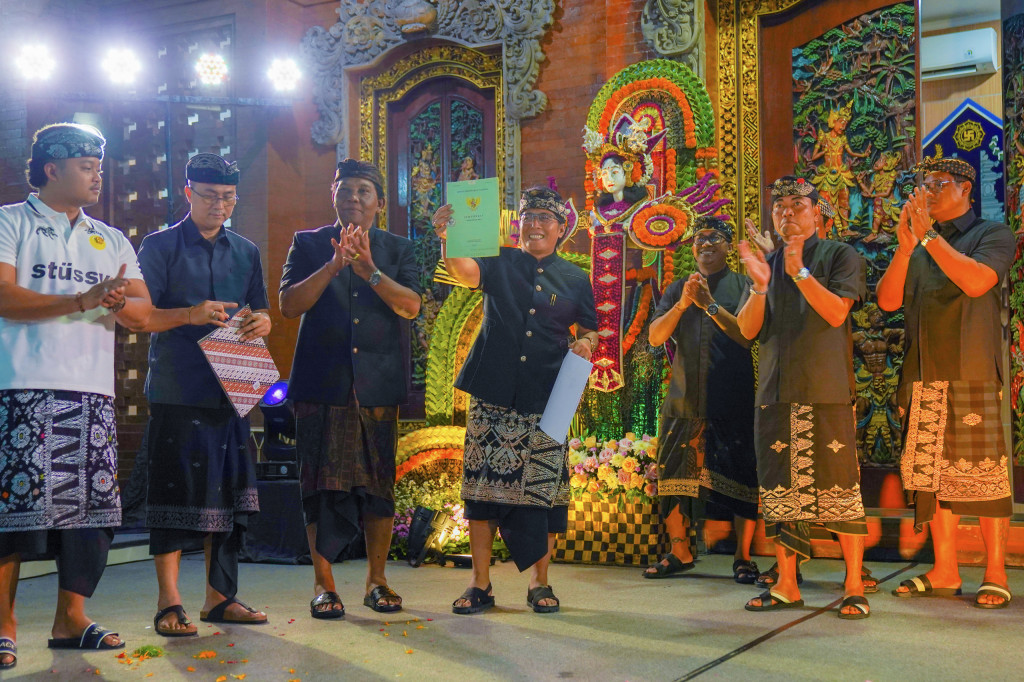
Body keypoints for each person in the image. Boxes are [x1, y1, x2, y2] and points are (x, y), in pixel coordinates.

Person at [0, 123, 152, 667]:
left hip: (92, 393)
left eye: (98, 166)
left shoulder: (109, 238)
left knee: (92, 515)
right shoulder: (9, 221)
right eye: (86, 166)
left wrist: (122, 302)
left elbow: (140, 311)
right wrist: (80, 297)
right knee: (14, 514)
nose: (97, 176)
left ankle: (72, 618)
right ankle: (4, 625)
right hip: (22, 386)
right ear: (51, 170)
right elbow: (4, 295)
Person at [431, 186, 598, 615]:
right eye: (529, 217)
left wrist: (587, 344)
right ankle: (480, 584)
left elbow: (592, 328)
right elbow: (464, 271)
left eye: (546, 218)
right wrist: (447, 238)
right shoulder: (499, 261)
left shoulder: (577, 278)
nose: (536, 225)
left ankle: (540, 584)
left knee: (543, 494)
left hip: (548, 396)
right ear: (518, 224)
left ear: (562, 228)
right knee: (482, 494)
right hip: (494, 390)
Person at [136, 153, 271, 635]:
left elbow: (263, 313)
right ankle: (168, 601)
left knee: (230, 496)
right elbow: (142, 316)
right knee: (175, 493)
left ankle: (220, 597)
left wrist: (263, 322)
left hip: (231, 386)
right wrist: (191, 314)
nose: (220, 205)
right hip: (179, 385)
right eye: (211, 196)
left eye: (229, 198)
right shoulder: (160, 246)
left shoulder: (246, 250)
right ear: (188, 192)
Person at [280, 159, 421, 618]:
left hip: (377, 386)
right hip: (321, 384)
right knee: (320, 487)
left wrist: (369, 272)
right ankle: (324, 585)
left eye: (364, 191)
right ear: (333, 197)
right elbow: (288, 305)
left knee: (378, 489)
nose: (354, 199)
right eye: (345, 190)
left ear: (379, 202)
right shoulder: (307, 243)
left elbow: (412, 307)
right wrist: (334, 263)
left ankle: (377, 581)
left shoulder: (399, 248)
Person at [877, 156, 1015, 608]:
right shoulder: (917, 245)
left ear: (965, 191)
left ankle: (995, 570)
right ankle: (946, 570)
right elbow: (888, 301)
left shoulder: (992, 235)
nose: (928, 192)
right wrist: (903, 246)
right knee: (933, 479)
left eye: (938, 184)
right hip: (923, 374)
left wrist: (930, 237)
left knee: (986, 480)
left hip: (973, 372)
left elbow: (977, 283)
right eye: (923, 185)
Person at [735, 176, 871, 619]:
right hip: (775, 389)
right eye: (780, 207)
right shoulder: (765, 263)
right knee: (779, 491)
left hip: (826, 388)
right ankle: (787, 584)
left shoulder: (839, 255)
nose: (787, 213)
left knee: (840, 490)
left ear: (818, 212)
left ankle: (853, 584)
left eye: (798, 205)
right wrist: (759, 285)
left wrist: (801, 274)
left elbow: (836, 312)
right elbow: (748, 330)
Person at [643, 217, 759, 583]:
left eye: (715, 238)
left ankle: (743, 556)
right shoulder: (678, 287)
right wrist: (681, 304)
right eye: (699, 239)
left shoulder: (744, 285)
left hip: (732, 396)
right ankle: (680, 551)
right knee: (674, 475)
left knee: (742, 477)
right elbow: (656, 337)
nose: (705, 244)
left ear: (728, 247)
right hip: (684, 398)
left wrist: (708, 304)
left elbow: (746, 336)